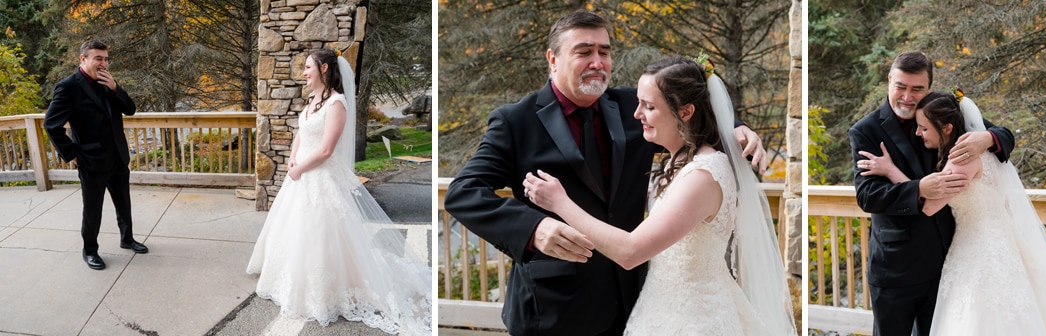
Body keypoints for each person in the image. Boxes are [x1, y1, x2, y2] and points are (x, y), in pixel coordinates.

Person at [443, 10, 767, 336]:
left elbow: (689, 116)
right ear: (553, 59)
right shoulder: (515, 122)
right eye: (584, 52)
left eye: (605, 52)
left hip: (635, 304)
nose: (597, 62)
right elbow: (464, 193)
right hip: (552, 310)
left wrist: (737, 130)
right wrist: (534, 229)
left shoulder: (633, 107)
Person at [523, 56, 796, 335]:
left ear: (686, 111)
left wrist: (560, 203)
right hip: (661, 308)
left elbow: (631, 253)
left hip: (695, 320)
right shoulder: (675, 161)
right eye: (639, 102)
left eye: (649, 107)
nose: (636, 114)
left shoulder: (703, 175)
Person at [858, 90, 1046, 335]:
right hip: (1001, 243)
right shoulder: (979, 149)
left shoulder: (962, 158)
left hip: (978, 251)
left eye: (923, 128)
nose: (917, 132)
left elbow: (930, 205)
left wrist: (890, 170)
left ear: (946, 128)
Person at [245, 49, 430, 334]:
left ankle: (326, 291)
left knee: (322, 233)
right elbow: (301, 135)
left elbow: (327, 150)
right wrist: (293, 158)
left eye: (308, 67)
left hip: (320, 177)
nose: (304, 73)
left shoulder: (337, 104)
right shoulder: (312, 101)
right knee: (295, 230)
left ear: (324, 69)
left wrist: (300, 168)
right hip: (302, 174)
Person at [848, 51, 1015, 336]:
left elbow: (1006, 135)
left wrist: (987, 138)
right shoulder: (866, 130)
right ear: (889, 81)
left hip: (948, 265)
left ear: (929, 88)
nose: (907, 97)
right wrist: (918, 188)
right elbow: (868, 196)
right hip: (895, 270)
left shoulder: (942, 113)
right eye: (901, 86)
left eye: (917, 89)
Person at [44, 39, 147, 270]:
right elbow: (51, 125)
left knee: (124, 204)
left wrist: (115, 88)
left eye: (106, 58)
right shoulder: (68, 87)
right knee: (93, 210)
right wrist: (73, 155)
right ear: (83, 59)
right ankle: (90, 251)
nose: (104, 63)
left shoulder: (107, 82)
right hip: (91, 161)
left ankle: (127, 239)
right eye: (98, 58)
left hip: (118, 157)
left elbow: (130, 109)